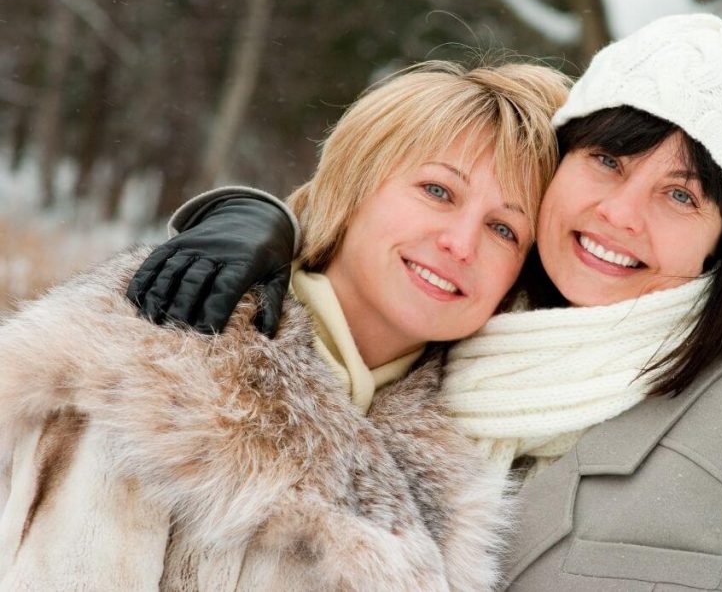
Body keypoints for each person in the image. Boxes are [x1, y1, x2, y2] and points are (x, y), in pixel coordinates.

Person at [129, 15, 722, 590]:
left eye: (681, 195)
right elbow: (378, 244)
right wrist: (256, 220)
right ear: (557, 166)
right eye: (608, 159)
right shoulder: (453, 338)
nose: (620, 213)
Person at [0, 61, 569, 591]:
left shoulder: (491, 440)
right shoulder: (158, 362)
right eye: (437, 191)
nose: (460, 243)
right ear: (353, 187)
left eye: (503, 230)